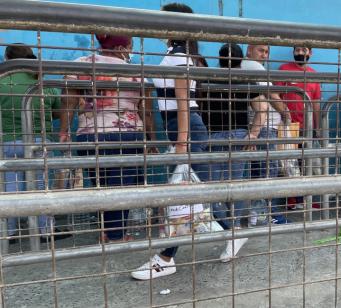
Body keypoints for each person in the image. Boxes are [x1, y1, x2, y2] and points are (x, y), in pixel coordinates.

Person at [131, 2, 210, 280]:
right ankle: (235, 231)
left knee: (182, 193)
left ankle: (166, 257)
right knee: (198, 190)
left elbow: (183, 102)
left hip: (184, 126)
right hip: (182, 126)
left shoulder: (179, 57)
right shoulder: (179, 54)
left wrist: (182, 141)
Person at [60, 34, 156, 242]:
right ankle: (116, 235)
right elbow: (146, 111)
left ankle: (109, 231)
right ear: (121, 47)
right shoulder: (136, 71)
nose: (130, 51)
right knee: (122, 187)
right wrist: (151, 139)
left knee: (99, 185)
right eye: (130, 47)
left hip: (89, 134)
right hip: (127, 135)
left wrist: (64, 131)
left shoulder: (81, 64)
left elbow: (68, 101)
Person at [202, 43, 267, 261]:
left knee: (211, 188)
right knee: (234, 185)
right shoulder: (245, 79)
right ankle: (235, 230)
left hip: (213, 136)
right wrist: (254, 134)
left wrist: (253, 133)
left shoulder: (208, 78)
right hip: (237, 135)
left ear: (219, 59)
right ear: (242, 60)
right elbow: (262, 108)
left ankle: (231, 231)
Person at [1, 44, 72, 243]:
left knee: (10, 186)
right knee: (40, 186)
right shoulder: (42, 82)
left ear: (7, 59)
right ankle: (45, 231)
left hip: (7, 140)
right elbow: (57, 111)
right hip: (38, 140)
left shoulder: (1, 80)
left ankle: (8, 233)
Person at [241, 44, 291, 224]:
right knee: (268, 171)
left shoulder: (245, 66)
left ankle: (257, 215)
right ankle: (270, 216)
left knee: (260, 171)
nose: (264, 54)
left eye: (267, 51)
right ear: (249, 50)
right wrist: (286, 114)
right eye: (260, 50)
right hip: (264, 127)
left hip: (258, 127)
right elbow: (272, 95)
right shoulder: (253, 66)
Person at [275, 46, 322, 209]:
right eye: (297, 50)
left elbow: (316, 104)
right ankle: (292, 199)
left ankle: (306, 199)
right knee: (288, 163)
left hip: (307, 127)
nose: (300, 53)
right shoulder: (284, 70)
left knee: (306, 163)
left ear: (310, 53)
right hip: (288, 125)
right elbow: (276, 96)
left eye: (303, 50)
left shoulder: (313, 75)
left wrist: (318, 128)